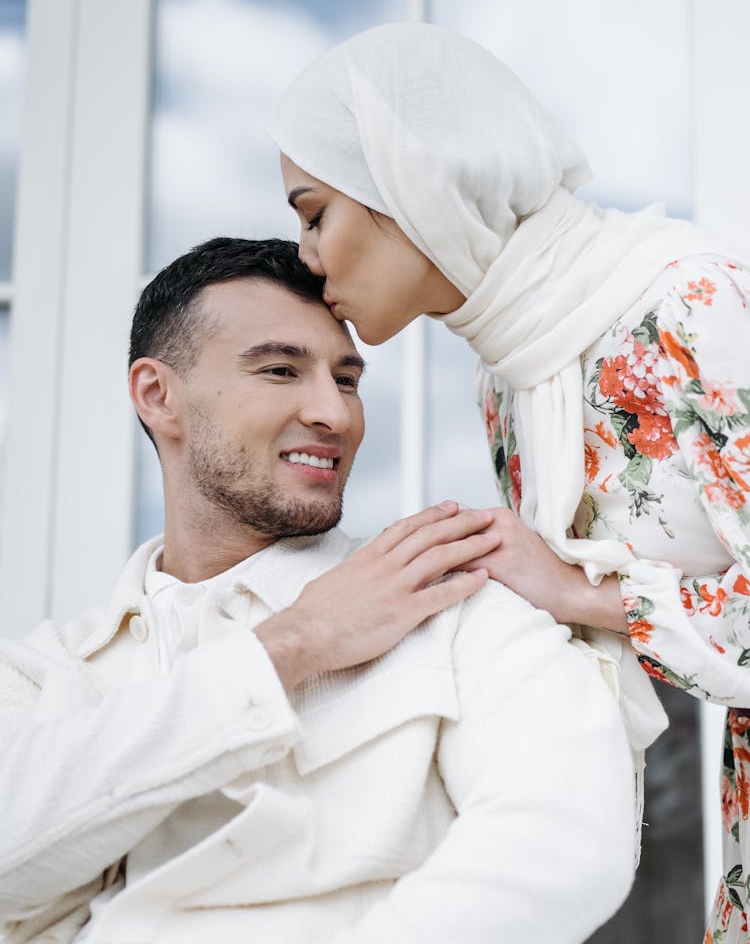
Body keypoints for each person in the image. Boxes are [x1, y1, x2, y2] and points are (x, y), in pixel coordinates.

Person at [0, 236, 634, 944]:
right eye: (280, 370)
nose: (335, 414)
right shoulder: (44, 671)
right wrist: (291, 644)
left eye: (348, 378)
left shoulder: (454, 599)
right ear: (158, 395)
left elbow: (564, 838)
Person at [268, 21, 750, 943]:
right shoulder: (515, 380)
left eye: (313, 209)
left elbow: (583, 592)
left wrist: (577, 590)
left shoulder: (695, 303)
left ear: (403, 184)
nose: (305, 255)